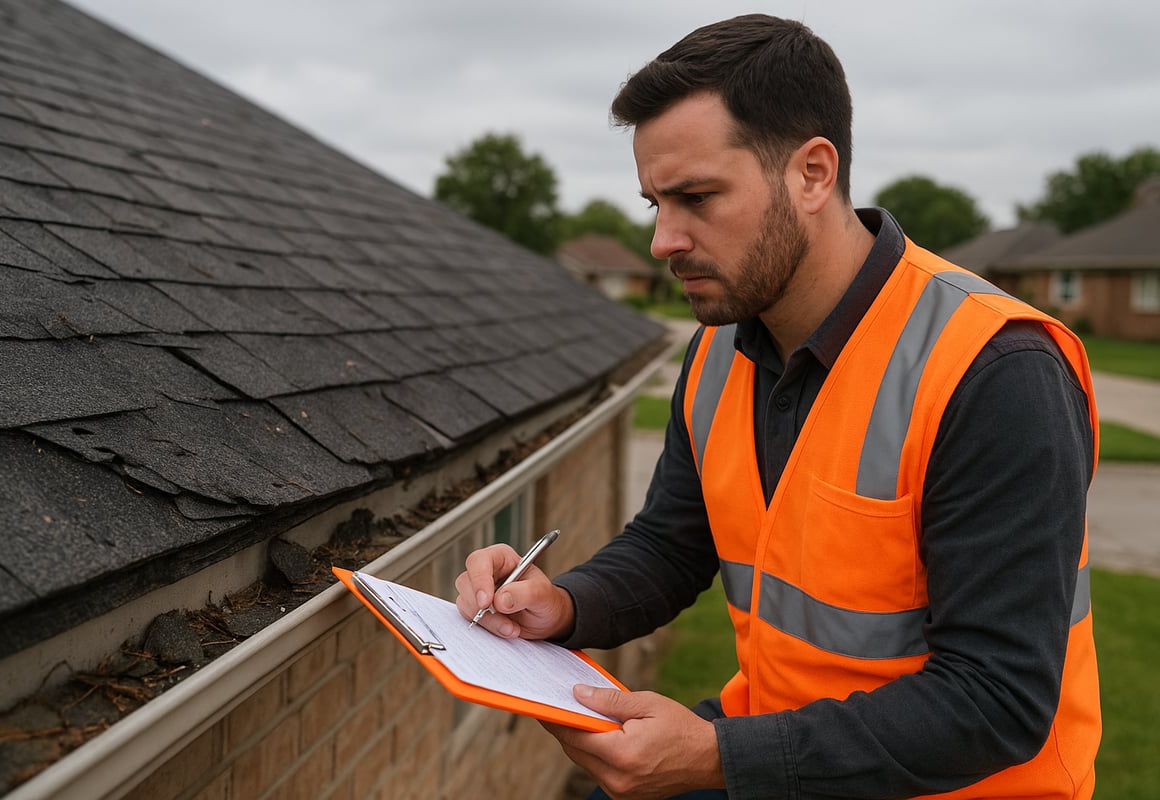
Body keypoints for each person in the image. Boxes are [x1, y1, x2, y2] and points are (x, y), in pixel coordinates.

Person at [455, 14, 1100, 800]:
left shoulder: (995, 371)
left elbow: (997, 699)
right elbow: (672, 543)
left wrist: (721, 756)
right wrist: (561, 604)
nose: (663, 240)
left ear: (813, 174)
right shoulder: (720, 348)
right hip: (784, 750)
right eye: (655, 202)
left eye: (695, 197)